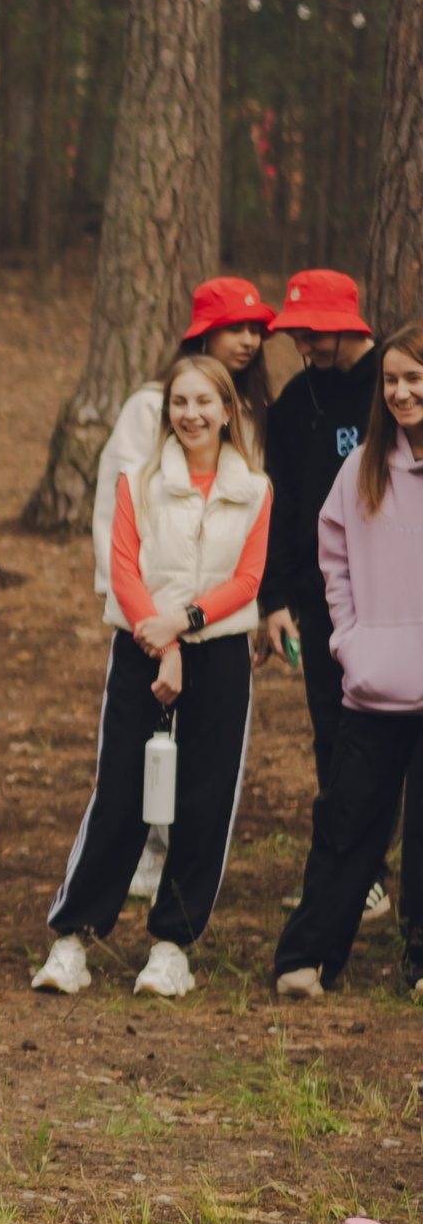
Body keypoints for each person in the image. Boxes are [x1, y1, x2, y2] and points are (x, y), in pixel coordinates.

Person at [38, 358, 269, 998]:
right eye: (179, 402)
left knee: (204, 799)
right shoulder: (138, 482)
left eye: (204, 402)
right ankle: (73, 938)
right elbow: (123, 569)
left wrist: (184, 626)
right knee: (120, 792)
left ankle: (172, 947)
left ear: (228, 411)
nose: (190, 414)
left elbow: (248, 580)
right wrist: (162, 643)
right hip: (142, 647)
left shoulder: (254, 489)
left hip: (218, 653)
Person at [89, 277, 274, 902]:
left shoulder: (251, 411)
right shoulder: (149, 407)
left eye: (255, 329)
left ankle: (180, 895)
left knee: (204, 766)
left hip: (213, 623)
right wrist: (143, 620)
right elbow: (119, 516)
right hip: (147, 619)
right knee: (133, 760)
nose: (248, 340)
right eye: (234, 328)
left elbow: (245, 540)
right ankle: (135, 861)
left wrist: (232, 615)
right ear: (202, 333)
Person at [272, 329, 423, 999]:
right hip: (375, 680)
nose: (401, 392)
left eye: (415, 378)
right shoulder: (361, 466)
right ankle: (307, 957)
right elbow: (331, 555)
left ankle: (420, 960)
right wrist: (350, 638)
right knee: (347, 818)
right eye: (392, 380)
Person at [259, 269, 401, 930]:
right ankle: (359, 878)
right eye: (297, 334)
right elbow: (284, 503)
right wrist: (275, 598)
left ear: (347, 325)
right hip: (321, 601)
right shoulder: (295, 403)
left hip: (396, 601)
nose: (304, 345)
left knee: (395, 739)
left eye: (314, 332)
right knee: (334, 734)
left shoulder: (392, 389)